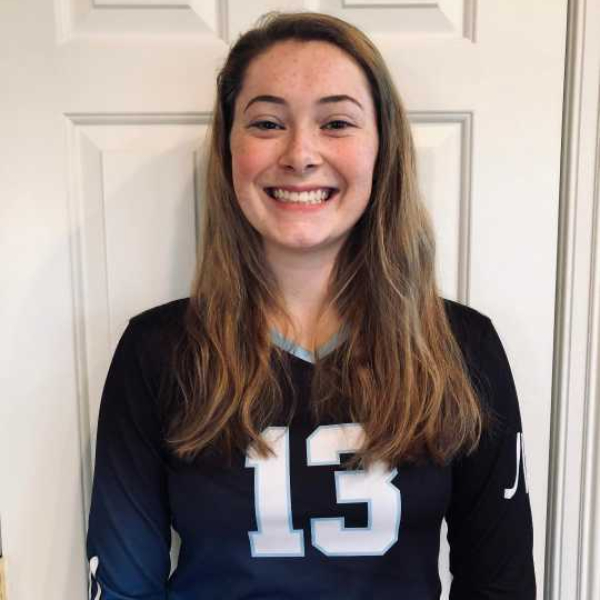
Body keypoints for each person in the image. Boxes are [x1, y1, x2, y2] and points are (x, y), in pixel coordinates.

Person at [86, 11, 536, 600]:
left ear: (382, 148)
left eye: (336, 123)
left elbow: (501, 584)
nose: (300, 153)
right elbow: (123, 588)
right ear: (228, 150)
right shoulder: (157, 351)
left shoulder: (462, 347)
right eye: (268, 123)